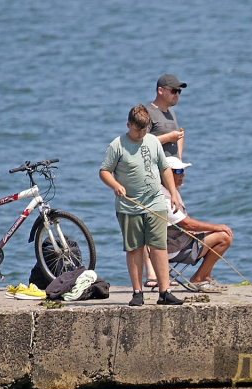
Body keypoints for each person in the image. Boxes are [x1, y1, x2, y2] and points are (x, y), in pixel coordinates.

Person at [99, 104, 183, 306]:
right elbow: (104, 171)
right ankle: (137, 292)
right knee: (135, 248)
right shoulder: (117, 145)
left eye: (145, 129)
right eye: (138, 129)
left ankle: (165, 292)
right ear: (129, 125)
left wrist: (173, 193)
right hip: (129, 207)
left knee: (159, 246)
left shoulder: (153, 141)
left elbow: (164, 168)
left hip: (155, 203)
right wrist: (116, 185)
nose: (141, 133)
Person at [163, 156, 233, 293]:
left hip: (176, 242)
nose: (182, 174)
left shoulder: (171, 191)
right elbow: (187, 224)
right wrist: (216, 227)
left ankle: (205, 276)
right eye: (177, 171)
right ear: (165, 173)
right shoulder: (165, 197)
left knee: (215, 233)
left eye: (182, 171)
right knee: (224, 237)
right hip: (174, 249)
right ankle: (200, 278)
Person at [143, 74, 187, 286]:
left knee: (165, 224)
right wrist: (167, 138)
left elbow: (176, 140)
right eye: (174, 90)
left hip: (169, 176)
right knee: (149, 225)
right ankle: (151, 275)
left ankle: (162, 273)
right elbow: (141, 142)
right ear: (161, 90)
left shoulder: (171, 114)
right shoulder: (148, 112)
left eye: (179, 91)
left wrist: (179, 162)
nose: (177, 95)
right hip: (151, 177)